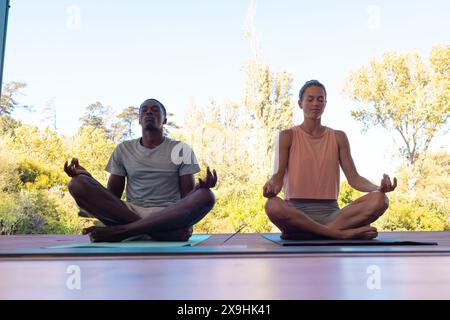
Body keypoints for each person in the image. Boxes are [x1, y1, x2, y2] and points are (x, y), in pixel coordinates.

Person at [64, 98, 217, 242]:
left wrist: (200, 188)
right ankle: (160, 233)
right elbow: (112, 197)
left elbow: (187, 198)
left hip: (169, 214)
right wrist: (88, 179)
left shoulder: (181, 149)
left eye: (155, 109)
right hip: (129, 212)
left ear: (164, 120)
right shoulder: (124, 149)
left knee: (207, 196)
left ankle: (122, 232)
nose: (149, 112)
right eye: (144, 110)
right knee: (76, 184)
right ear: (139, 119)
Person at [263, 80, 397, 240]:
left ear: (325, 104)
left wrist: (379, 189)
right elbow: (277, 177)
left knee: (380, 200)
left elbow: (354, 179)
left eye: (320, 99)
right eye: (310, 99)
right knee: (272, 205)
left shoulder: (338, 137)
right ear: (300, 103)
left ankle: (307, 233)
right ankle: (336, 234)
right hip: (296, 213)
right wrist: (271, 187)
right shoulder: (287, 136)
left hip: (332, 215)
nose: (315, 103)